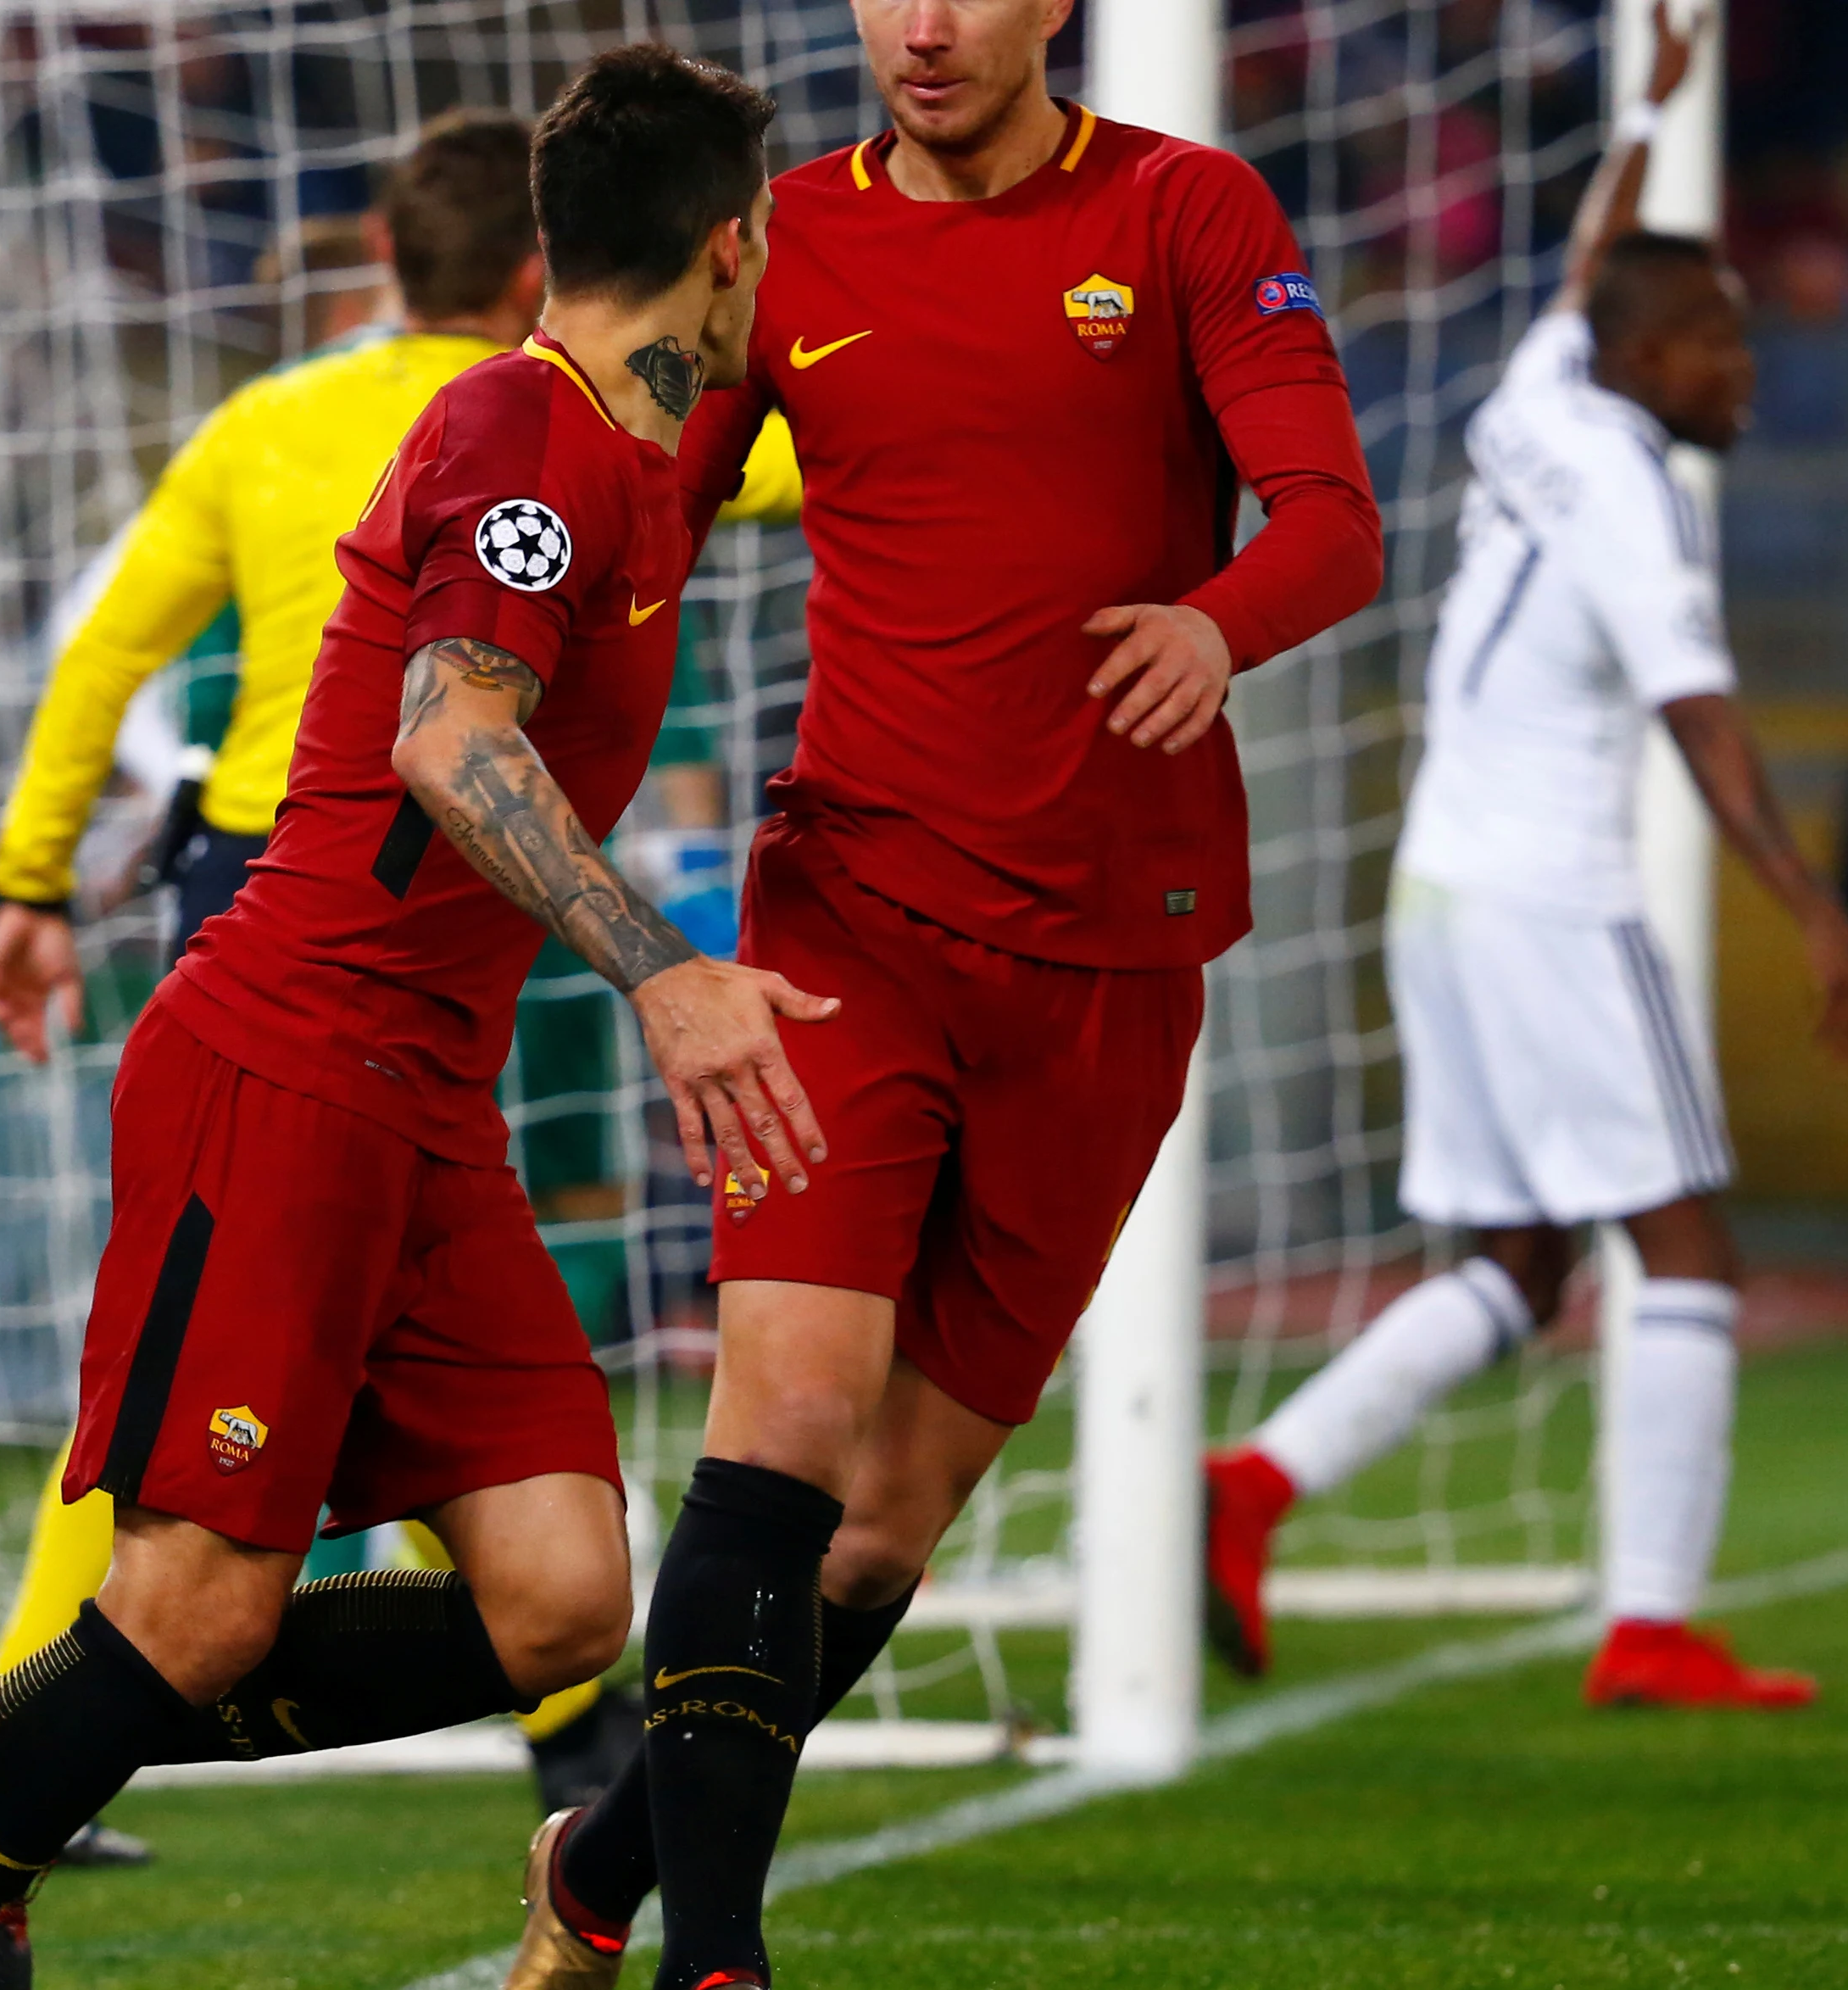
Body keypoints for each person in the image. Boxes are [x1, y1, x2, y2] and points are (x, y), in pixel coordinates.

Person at [0, 47, 799, 1990]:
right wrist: (671, 969)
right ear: (733, 250)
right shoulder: (523, 434)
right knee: (200, 1611)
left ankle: (4, 1738)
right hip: (291, 1062)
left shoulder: (660, 444)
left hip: (425, 1106)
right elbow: (448, 732)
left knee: (561, 1595)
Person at [503, 2, 1383, 1984]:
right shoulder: (783, 236)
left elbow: (1336, 519)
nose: (920, 24)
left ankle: (598, 1871)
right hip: (848, 930)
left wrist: (1216, 621)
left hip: (1111, 957)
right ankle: (718, 1962)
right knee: (787, 1423)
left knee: (884, 1533)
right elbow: (637, 480)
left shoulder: (1185, 208)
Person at [1197, 7, 1848, 1719]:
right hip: (1556, 900)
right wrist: (1819, 920)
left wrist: (1640, 124)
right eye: (1720, 345)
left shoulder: (1544, 387)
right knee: (1692, 1247)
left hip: (1438, 888)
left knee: (1518, 1264)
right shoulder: (1635, 488)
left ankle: (1253, 1484)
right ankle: (1650, 1621)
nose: (1740, 369)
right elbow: (1706, 725)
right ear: (1658, 364)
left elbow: (1589, 271)